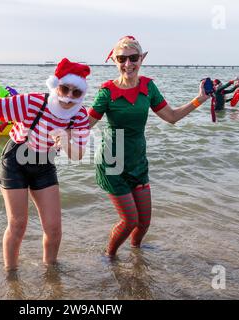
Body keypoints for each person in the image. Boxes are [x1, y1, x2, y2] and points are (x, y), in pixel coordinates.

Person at [0, 58, 91, 270]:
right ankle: (11, 275)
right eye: (64, 88)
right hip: (15, 161)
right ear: (56, 85)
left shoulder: (79, 116)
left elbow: (78, 156)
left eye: (75, 92)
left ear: (82, 94)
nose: (68, 96)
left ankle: (51, 272)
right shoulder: (34, 103)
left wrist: (67, 141)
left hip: (44, 164)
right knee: (18, 224)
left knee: (54, 228)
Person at [88, 36, 210, 257]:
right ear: (114, 61)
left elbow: (171, 117)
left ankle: (136, 254)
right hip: (112, 162)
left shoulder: (148, 87)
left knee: (144, 222)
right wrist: (59, 129)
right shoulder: (106, 92)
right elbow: (86, 123)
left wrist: (199, 99)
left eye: (133, 57)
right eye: (121, 59)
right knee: (129, 220)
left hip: (137, 161)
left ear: (141, 58)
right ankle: (110, 257)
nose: (128, 64)